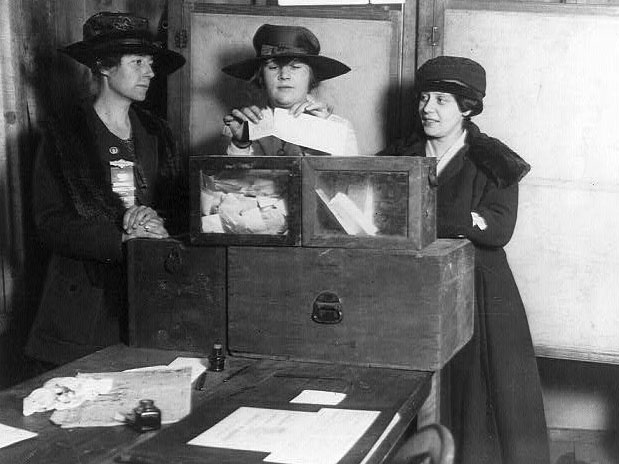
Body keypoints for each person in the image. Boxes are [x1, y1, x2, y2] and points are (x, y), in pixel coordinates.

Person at [379, 56, 550, 464]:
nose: (427, 108)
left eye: (442, 100)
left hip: (480, 292)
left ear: (467, 108)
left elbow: (498, 228)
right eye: (424, 97)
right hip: (414, 288)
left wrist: (435, 217)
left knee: (481, 398)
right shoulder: (397, 157)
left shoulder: (495, 161)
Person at [25, 12, 187, 366]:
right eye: (138, 62)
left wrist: (157, 225)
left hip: (150, 301)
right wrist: (121, 240)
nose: (151, 72)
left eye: (151, 62)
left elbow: (178, 209)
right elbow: (49, 223)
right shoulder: (64, 136)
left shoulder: (158, 132)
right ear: (103, 66)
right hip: (82, 312)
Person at [221, 23, 359, 156]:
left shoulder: (339, 129)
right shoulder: (239, 127)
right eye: (273, 67)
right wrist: (240, 144)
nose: (284, 76)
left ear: (311, 78)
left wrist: (325, 133)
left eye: (296, 67)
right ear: (261, 77)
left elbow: (349, 177)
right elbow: (229, 179)